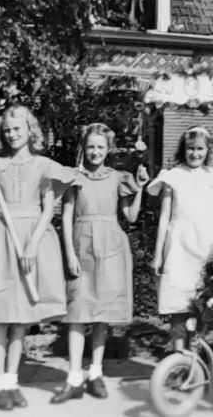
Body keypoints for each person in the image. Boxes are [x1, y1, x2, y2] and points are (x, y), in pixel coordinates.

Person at [0, 105, 76, 410]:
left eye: (17, 129)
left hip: (31, 239)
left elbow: (48, 209)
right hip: (2, 237)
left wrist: (32, 246)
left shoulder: (43, 165)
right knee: (1, 315)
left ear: (30, 131)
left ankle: (12, 381)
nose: (12, 135)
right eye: (7, 130)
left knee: (21, 318)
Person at [51, 123, 149, 403]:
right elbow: (66, 217)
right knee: (77, 311)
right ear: (83, 148)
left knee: (101, 313)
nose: (95, 152)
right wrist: (69, 253)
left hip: (111, 248)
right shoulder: (74, 178)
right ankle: (73, 377)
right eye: (91, 147)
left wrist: (140, 189)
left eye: (100, 147)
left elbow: (130, 217)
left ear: (109, 149)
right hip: (81, 246)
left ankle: (95, 373)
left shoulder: (118, 178)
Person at [147, 126, 213, 351]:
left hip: (207, 246)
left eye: (200, 149)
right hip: (178, 246)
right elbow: (164, 217)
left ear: (208, 150)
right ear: (183, 149)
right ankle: (180, 354)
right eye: (190, 148)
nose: (195, 153)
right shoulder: (172, 176)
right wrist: (158, 255)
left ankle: (201, 353)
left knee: (206, 302)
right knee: (178, 303)